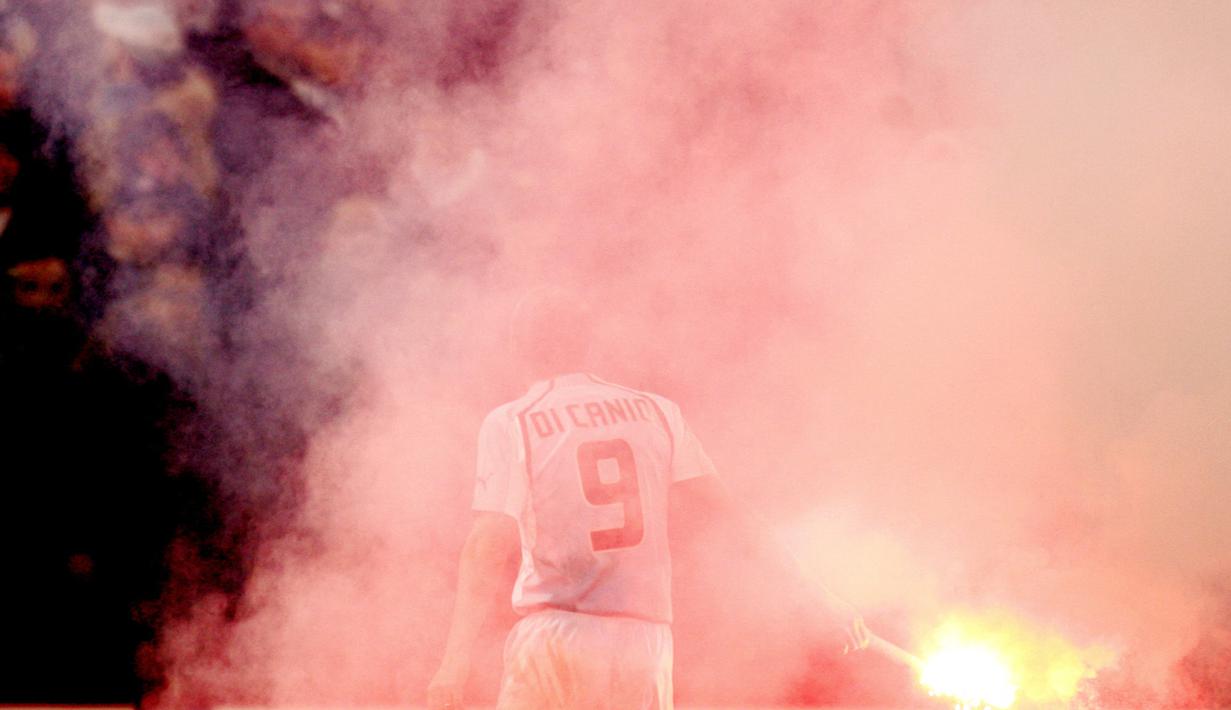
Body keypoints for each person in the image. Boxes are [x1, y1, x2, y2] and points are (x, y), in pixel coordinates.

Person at [427, 289, 871, 709]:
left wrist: (454, 661)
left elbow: (486, 544)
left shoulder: (513, 422)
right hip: (644, 646)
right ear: (586, 343)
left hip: (555, 636)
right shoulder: (656, 412)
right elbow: (735, 519)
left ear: (519, 348)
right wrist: (820, 598)